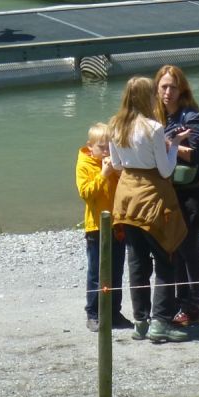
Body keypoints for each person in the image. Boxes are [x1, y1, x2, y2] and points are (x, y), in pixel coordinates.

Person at [108, 75, 187, 344]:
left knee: (137, 261)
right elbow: (165, 170)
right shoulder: (153, 128)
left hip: (126, 196)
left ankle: (140, 321)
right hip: (152, 195)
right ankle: (161, 321)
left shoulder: (115, 125)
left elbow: (117, 165)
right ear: (148, 97)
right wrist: (173, 145)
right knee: (165, 257)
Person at [154, 65, 199, 330]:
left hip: (190, 194)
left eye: (173, 87)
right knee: (174, 252)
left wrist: (170, 145)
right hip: (168, 193)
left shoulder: (191, 116)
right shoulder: (158, 116)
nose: (168, 92)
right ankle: (181, 303)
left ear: (182, 89)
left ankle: (193, 306)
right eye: (163, 87)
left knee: (189, 251)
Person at [75, 122, 133, 332]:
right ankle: (93, 313)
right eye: (102, 147)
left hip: (117, 225)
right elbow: (86, 194)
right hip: (96, 226)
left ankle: (114, 312)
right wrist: (104, 174)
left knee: (116, 271)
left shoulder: (115, 162)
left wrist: (117, 171)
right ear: (90, 147)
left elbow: (127, 187)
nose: (107, 151)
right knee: (96, 272)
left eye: (111, 146)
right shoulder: (85, 164)